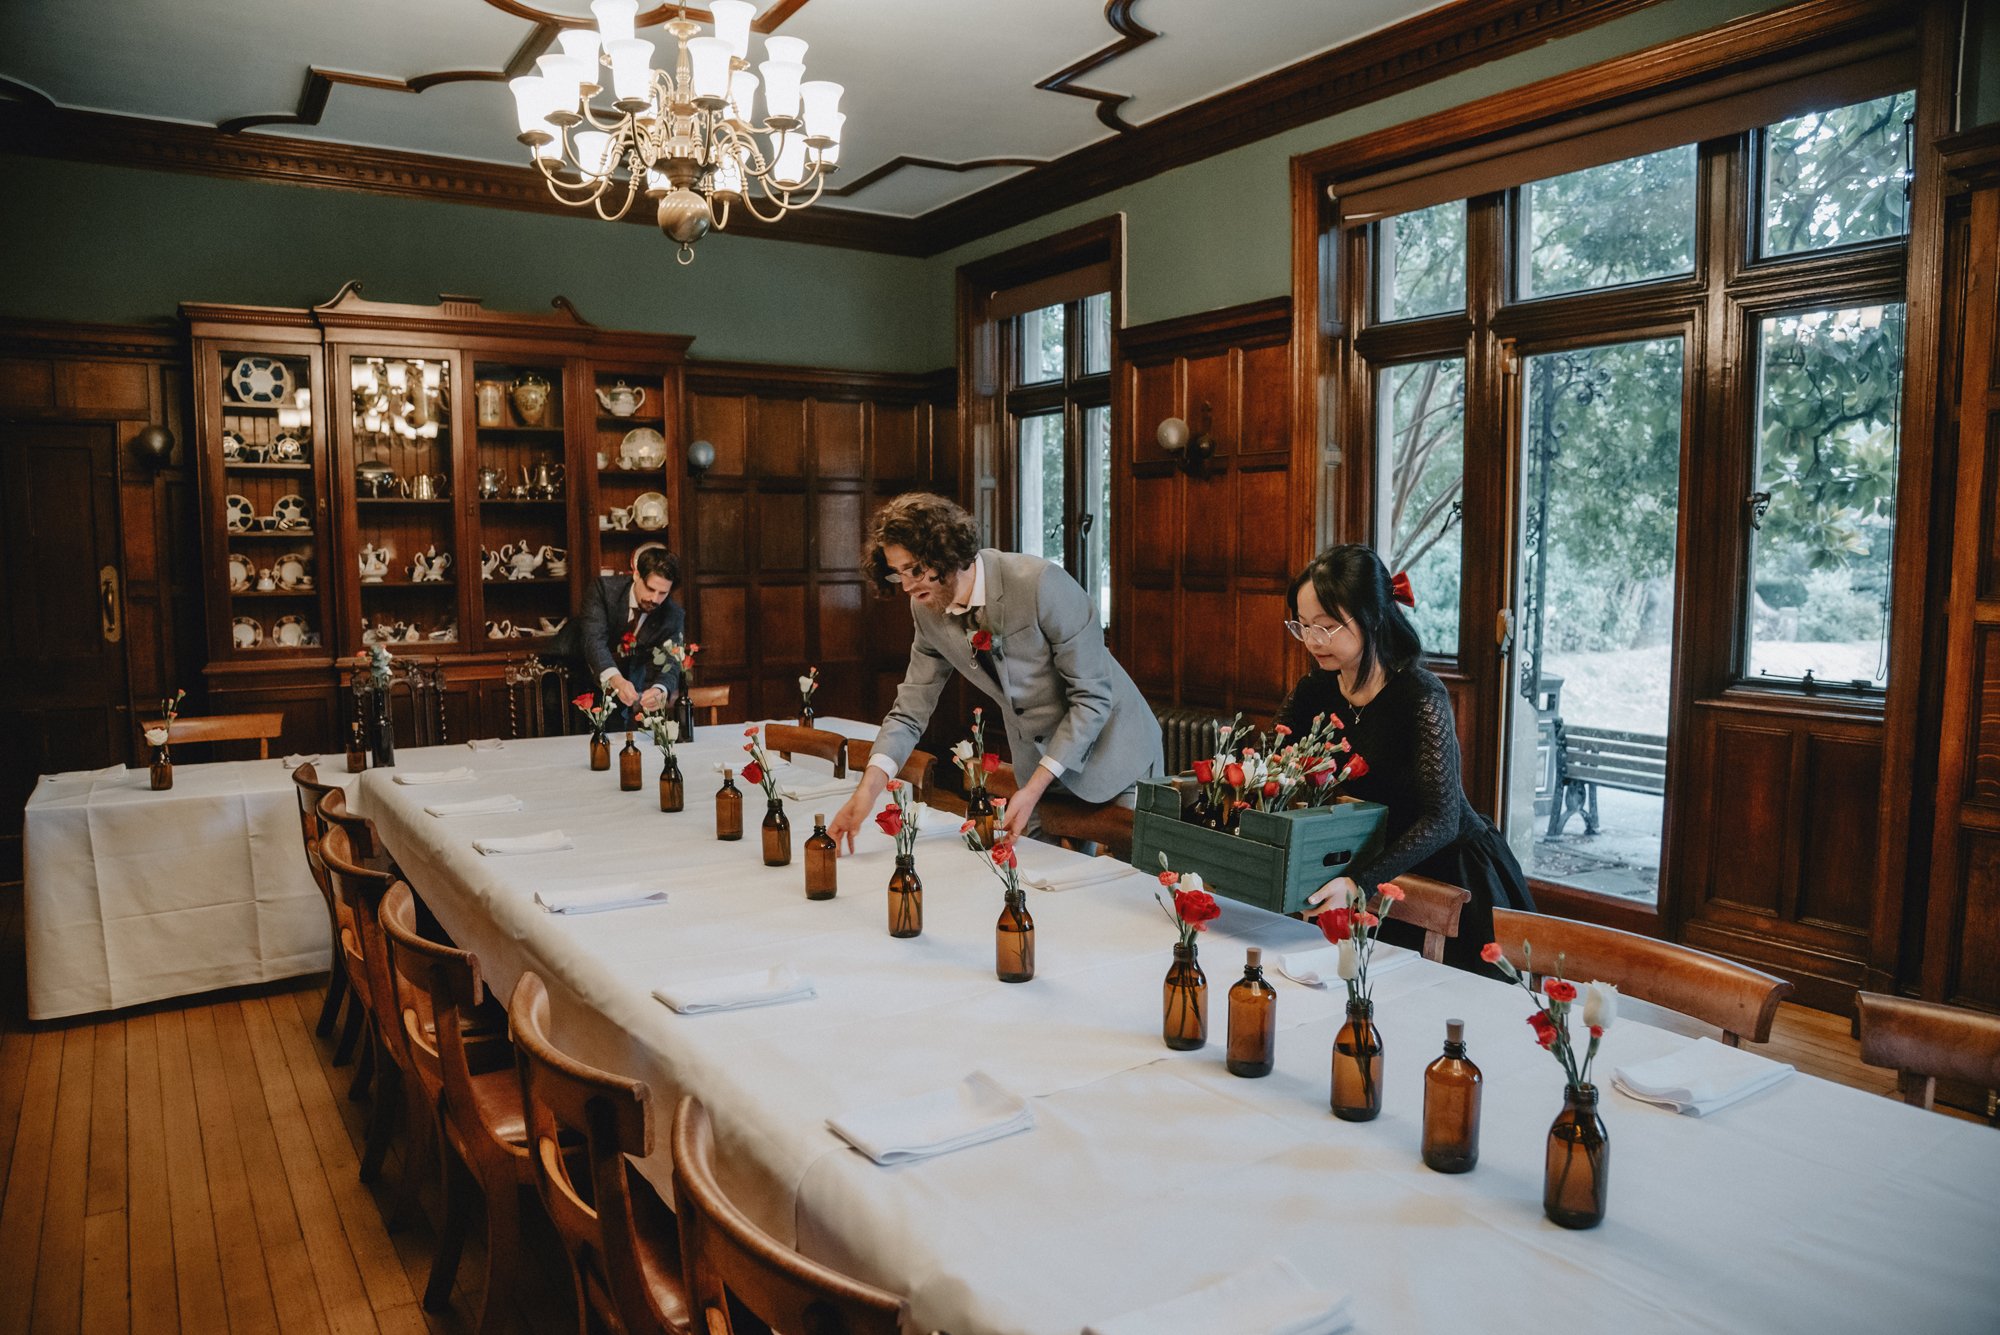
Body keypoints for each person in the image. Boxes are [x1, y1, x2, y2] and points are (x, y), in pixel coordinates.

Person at [827, 493, 1163, 851]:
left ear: (946, 552)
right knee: (1035, 881)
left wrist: (1033, 788)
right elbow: (909, 711)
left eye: (916, 570)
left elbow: (1092, 698)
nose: (908, 586)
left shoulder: (1041, 584)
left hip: (1116, 755)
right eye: (898, 574)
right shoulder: (925, 610)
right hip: (1038, 769)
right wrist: (867, 792)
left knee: (1125, 893)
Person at [1279, 544, 1533, 974]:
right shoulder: (1315, 689)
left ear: (1373, 616)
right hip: (1369, 863)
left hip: (1447, 868)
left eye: (1326, 626)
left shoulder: (1419, 694)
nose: (1313, 641)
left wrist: (1358, 882)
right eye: (1303, 627)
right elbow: (1275, 767)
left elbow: (1441, 819)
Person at [574, 545, 685, 730]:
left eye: (663, 593)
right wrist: (616, 680)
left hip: (633, 684)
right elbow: (593, 641)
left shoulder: (673, 614)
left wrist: (660, 689)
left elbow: (673, 660)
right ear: (636, 575)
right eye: (650, 589)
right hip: (581, 677)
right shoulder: (603, 590)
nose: (655, 599)